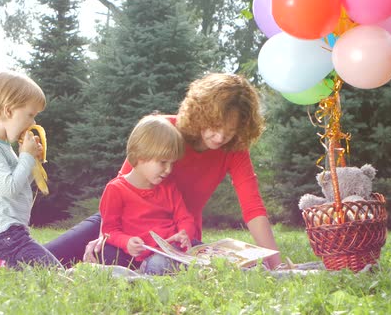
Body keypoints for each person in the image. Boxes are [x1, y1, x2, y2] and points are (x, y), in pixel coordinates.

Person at [44, 73, 282, 269]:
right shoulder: (164, 130)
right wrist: (107, 235)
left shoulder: (234, 149)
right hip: (124, 221)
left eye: (229, 131)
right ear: (202, 113)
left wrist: (274, 261)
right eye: (215, 126)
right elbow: (125, 185)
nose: (220, 137)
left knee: (162, 268)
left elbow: (253, 208)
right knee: (44, 259)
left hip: (176, 232)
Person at [0, 71, 61, 269]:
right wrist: (26, 157)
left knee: (32, 267)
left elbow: (18, 183)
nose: (33, 124)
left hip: (10, 230)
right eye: (30, 115)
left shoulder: (2, 145)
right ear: (8, 111)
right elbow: (10, 188)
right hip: (2, 232)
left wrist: (31, 163)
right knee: (52, 270)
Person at [98, 115, 196, 275]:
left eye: (172, 163)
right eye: (163, 162)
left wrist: (185, 232)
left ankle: (147, 272)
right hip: (136, 252)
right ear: (140, 156)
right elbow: (109, 230)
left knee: (200, 250)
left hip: (169, 249)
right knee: (108, 254)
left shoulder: (169, 187)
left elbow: (185, 218)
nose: (169, 170)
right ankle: (146, 272)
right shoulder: (116, 189)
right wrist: (126, 242)